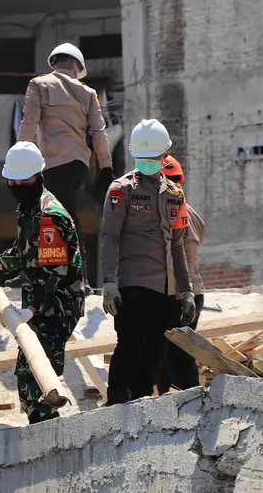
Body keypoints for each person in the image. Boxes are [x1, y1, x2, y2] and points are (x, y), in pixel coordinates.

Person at [0, 141, 87, 424]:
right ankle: (40, 424)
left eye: (23, 180)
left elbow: (53, 272)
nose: (17, 186)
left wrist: (32, 309)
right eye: (12, 181)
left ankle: (47, 432)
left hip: (58, 305)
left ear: (38, 176)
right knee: (28, 373)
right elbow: (23, 253)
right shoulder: (28, 208)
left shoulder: (49, 216)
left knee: (39, 378)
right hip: (39, 302)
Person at [100, 119, 196, 405]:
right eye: (142, 157)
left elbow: (178, 245)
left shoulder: (175, 194)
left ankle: (140, 405)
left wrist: (186, 290)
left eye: (153, 156)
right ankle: (116, 404)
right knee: (129, 348)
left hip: (164, 290)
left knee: (154, 354)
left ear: (165, 154)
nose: (148, 162)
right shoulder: (121, 190)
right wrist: (109, 282)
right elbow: (109, 237)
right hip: (132, 285)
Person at [17, 42, 114, 231]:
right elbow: (98, 131)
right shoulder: (89, 93)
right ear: (73, 65)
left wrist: (20, 159)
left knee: (58, 216)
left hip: (53, 164)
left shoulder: (39, 84)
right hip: (80, 166)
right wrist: (106, 166)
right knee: (66, 211)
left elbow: (29, 123)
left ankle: (75, 248)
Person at [156, 155, 207, 393]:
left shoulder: (171, 214)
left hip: (178, 294)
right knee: (174, 357)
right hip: (191, 291)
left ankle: (188, 404)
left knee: (173, 358)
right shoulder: (192, 214)